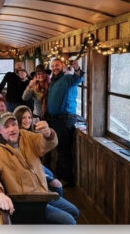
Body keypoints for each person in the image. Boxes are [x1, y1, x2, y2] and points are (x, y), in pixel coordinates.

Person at [0, 112, 78, 224]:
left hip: (43, 193)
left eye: (14, 124)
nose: (12, 129)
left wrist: (48, 133)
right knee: (69, 221)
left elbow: (45, 145)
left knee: (75, 212)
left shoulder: (26, 136)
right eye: (6, 127)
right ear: (0, 130)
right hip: (28, 203)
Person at [46, 58, 84, 186]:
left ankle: (66, 179)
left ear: (62, 66)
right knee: (58, 147)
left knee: (63, 149)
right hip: (55, 119)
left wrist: (77, 69)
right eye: (52, 66)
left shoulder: (68, 78)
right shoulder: (53, 81)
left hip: (65, 118)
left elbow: (78, 78)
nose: (54, 68)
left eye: (57, 65)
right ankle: (58, 175)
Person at [12, 105, 63, 197]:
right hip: (27, 172)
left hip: (35, 165)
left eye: (29, 117)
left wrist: (48, 133)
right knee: (55, 183)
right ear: (17, 119)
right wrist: (49, 179)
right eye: (23, 118)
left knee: (51, 174)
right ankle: (52, 200)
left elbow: (48, 144)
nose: (27, 120)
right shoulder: (16, 136)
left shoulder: (33, 133)